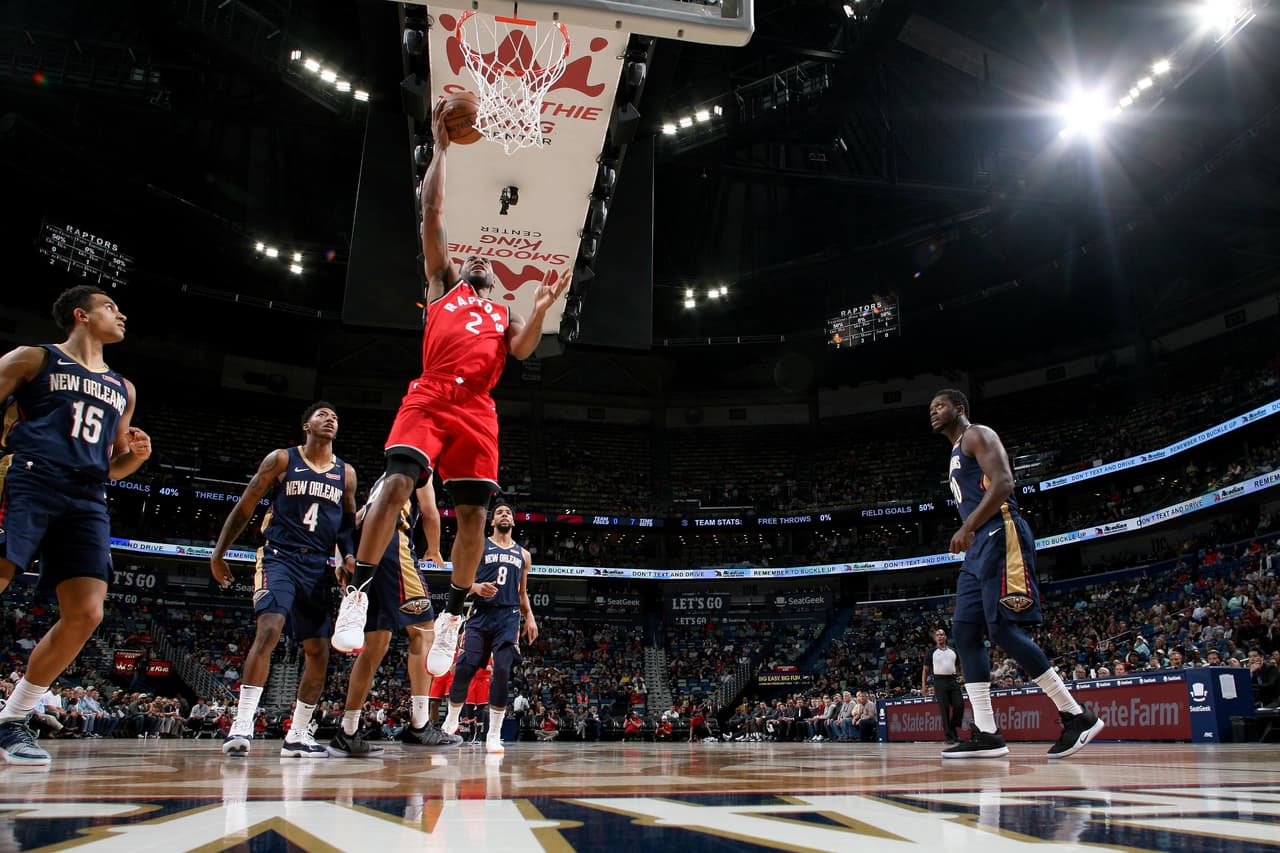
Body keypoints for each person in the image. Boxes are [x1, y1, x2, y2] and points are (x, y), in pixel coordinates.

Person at [329, 100, 570, 676]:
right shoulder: (442, 288)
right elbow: (432, 211)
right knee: (394, 486)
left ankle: (455, 614)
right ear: (461, 268)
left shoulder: (503, 310)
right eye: (474, 256)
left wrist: (538, 311)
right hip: (432, 395)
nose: (480, 258)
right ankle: (357, 592)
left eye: (487, 259)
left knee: (472, 521)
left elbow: (521, 350)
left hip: (478, 411)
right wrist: (439, 150)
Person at [0, 286, 151, 765]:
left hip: (88, 494)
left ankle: (13, 718)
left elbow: (110, 465)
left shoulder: (122, 387)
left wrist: (136, 458)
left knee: (87, 613)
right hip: (31, 476)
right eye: (110, 306)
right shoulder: (34, 358)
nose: (121, 313)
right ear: (82, 316)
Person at [930, 389, 1103, 759]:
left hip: (999, 531)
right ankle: (988, 732)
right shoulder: (954, 451)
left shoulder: (978, 434)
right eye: (931, 408)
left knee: (1002, 629)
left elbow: (1005, 483)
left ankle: (1076, 715)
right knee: (963, 632)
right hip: (978, 548)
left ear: (960, 409)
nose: (934, 411)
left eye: (941, 405)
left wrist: (968, 527)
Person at [209, 402, 357, 758]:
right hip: (280, 556)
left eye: (334, 416)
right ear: (306, 425)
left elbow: (347, 526)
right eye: (322, 415)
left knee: (319, 652)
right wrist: (219, 553)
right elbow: (246, 505)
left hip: (318, 566)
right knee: (270, 629)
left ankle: (297, 734)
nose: (330, 419)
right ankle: (242, 724)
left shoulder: (345, 474)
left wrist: (347, 557)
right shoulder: (281, 460)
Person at [327, 475, 462, 756]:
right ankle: (420, 725)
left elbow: (351, 522)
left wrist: (343, 558)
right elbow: (430, 512)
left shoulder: (380, 485)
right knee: (425, 628)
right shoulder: (419, 469)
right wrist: (434, 548)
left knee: (375, 646)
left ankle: (348, 730)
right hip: (392, 545)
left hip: (364, 552)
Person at [441, 501, 538, 753]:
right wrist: (475, 588)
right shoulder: (480, 545)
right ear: (492, 521)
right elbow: (461, 579)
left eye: (508, 513)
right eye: (499, 513)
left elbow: (522, 592)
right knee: (465, 666)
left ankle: (493, 734)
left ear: (513, 522)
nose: (504, 515)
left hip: (508, 617)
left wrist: (530, 618)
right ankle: (451, 719)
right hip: (480, 614)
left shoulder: (523, 555)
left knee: (503, 672)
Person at [923, 628, 964, 744]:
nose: (940, 636)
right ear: (935, 638)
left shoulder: (953, 651)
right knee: (944, 709)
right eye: (938, 635)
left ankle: (952, 727)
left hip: (952, 680)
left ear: (945, 637)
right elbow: (925, 671)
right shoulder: (931, 652)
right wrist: (924, 686)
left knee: (959, 704)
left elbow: (959, 667)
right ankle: (950, 737)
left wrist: (961, 678)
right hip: (939, 681)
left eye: (942, 634)